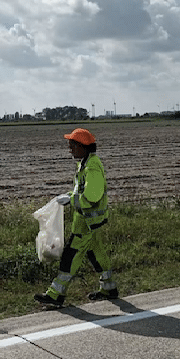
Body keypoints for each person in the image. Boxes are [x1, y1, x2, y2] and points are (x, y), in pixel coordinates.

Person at [35, 128, 117, 307]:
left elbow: (92, 195)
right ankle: (109, 288)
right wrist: (70, 195)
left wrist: (71, 199)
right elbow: (83, 191)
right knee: (97, 254)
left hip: (86, 225)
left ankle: (55, 294)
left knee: (70, 257)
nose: (70, 149)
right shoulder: (86, 163)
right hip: (89, 223)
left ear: (83, 146)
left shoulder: (92, 166)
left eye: (72, 145)